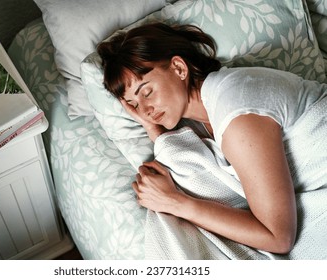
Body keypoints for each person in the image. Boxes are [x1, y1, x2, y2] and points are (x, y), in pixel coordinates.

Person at [97, 22, 327, 254]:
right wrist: (150, 125)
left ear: (179, 68)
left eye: (146, 92)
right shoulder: (201, 116)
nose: (145, 108)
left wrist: (175, 202)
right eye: (134, 105)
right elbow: (205, 178)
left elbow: (278, 237)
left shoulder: (235, 114)